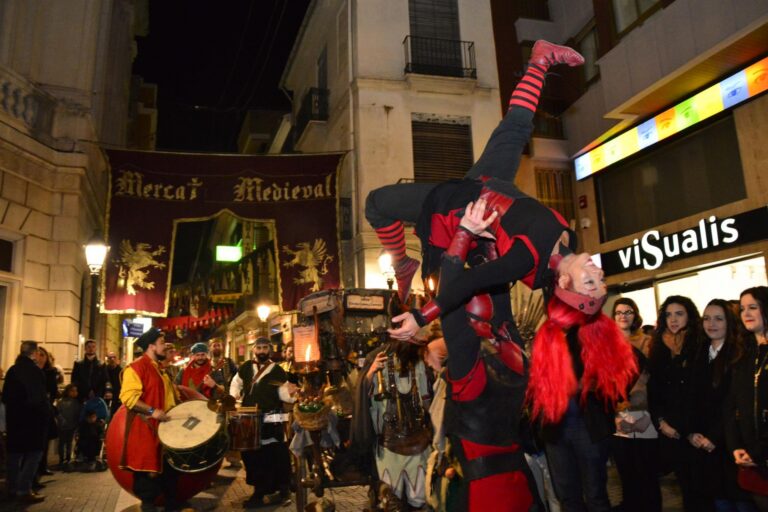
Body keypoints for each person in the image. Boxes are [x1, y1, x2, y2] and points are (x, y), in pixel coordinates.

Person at [366, 39, 584, 302]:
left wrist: (421, 318)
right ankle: (541, 59)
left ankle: (402, 266)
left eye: (590, 282)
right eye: (602, 281)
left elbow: (473, 281)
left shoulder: (525, 262)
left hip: (459, 203)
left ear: (564, 281)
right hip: (492, 183)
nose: (598, 273)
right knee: (516, 126)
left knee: (376, 204)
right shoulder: (567, 239)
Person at [423, 204, 541, 511]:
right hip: (520, 482)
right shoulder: (512, 347)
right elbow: (502, 303)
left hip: (484, 492)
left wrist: (464, 235)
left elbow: (450, 302)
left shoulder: (469, 358)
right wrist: (487, 244)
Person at [523, 255, 636, 512]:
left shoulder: (595, 325)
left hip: (588, 426)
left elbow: (619, 372)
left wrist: (591, 383)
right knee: (567, 497)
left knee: (595, 495)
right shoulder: (549, 331)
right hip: (555, 428)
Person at [352, 332, 433, 511]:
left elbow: (427, 398)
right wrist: (371, 373)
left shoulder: (420, 360)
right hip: (389, 447)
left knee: (419, 500)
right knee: (390, 500)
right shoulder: (377, 358)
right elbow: (363, 393)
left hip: (419, 446)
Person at [685, 298, 752, 511]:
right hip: (703, 446)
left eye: (718, 319)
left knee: (742, 503)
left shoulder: (740, 354)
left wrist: (715, 437)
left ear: (729, 322)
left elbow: (734, 403)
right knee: (719, 502)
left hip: (732, 445)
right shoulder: (698, 353)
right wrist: (691, 432)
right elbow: (691, 400)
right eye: (706, 318)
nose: (711, 324)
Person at [118, 328, 183, 512]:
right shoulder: (136, 368)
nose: (165, 347)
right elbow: (128, 397)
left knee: (170, 474)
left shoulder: (161, 370)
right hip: (147, 429)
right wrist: (153, 411)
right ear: (151, 346)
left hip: (167, 431)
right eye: (162, 343)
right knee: (147, 477)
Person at [229, 337, 297, 507]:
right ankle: (259, 492)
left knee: (276, 455)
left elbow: (284, 394)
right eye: (258, 347)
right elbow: (235, 384)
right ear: (253, 350)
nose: (261, 351)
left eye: (264, 347)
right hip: (250, 422)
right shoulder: (244, 368)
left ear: (270, 350)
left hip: (271, 420)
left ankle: (283, 489)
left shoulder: (278, 371)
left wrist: (292, 393)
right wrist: (233, 396)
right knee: (253, 457)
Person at [647, 295, 701, 509]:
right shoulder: (659, 347)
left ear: (690, 316)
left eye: (679, 314)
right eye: (668, 315)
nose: (674, 319)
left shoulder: (700, 345)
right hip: (672, 430)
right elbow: (654, 391)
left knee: (704, 488)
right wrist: (661, 422)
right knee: (685, 487)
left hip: (698, 429)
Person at [611, 298, 660, 512]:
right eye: (619, 312)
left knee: (646, 467)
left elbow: (652, 374)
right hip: (618, 412)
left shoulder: (647, 342)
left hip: (641, 411)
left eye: (628, 311)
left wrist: (631, 394)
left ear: (635, 315)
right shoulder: (608, 345)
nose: (623, 315)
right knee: (626, 468)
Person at [726, 286, 768, 511]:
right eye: (742, 309)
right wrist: (736, 447)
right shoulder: (744, 354)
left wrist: (760, 453)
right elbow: (732, 406)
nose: (746, 314)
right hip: (749, 460)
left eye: (753, 307)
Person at [3, 340, 52, 503]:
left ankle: (12, 488)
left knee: (14, 456)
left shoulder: (12, 370)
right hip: (33, 422)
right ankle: (24, 490)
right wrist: (46, 415)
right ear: (33, 353)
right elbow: (39, 399)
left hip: (15, 420)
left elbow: (6, 397)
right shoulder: (35, 372)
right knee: (33, 454)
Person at [36, 346, 60, 478]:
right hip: (34, 411)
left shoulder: (50, 371)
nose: (40, 358)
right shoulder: (31, 371)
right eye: (38, 355)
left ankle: (42, 465)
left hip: (46, 408)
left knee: (45, 439)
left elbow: (53, 390)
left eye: (43, 355)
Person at [56, 384, 81, 468]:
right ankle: (61, 459)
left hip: (71, 425)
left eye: (76, 391)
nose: (75, 393)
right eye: (72, 391)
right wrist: (62, 420)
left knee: (69, 442)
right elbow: (58, 412)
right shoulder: (61, 402)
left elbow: (77, 414)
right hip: (62, 425)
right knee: (62, 443)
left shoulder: (76, 403)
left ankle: (68, 458)